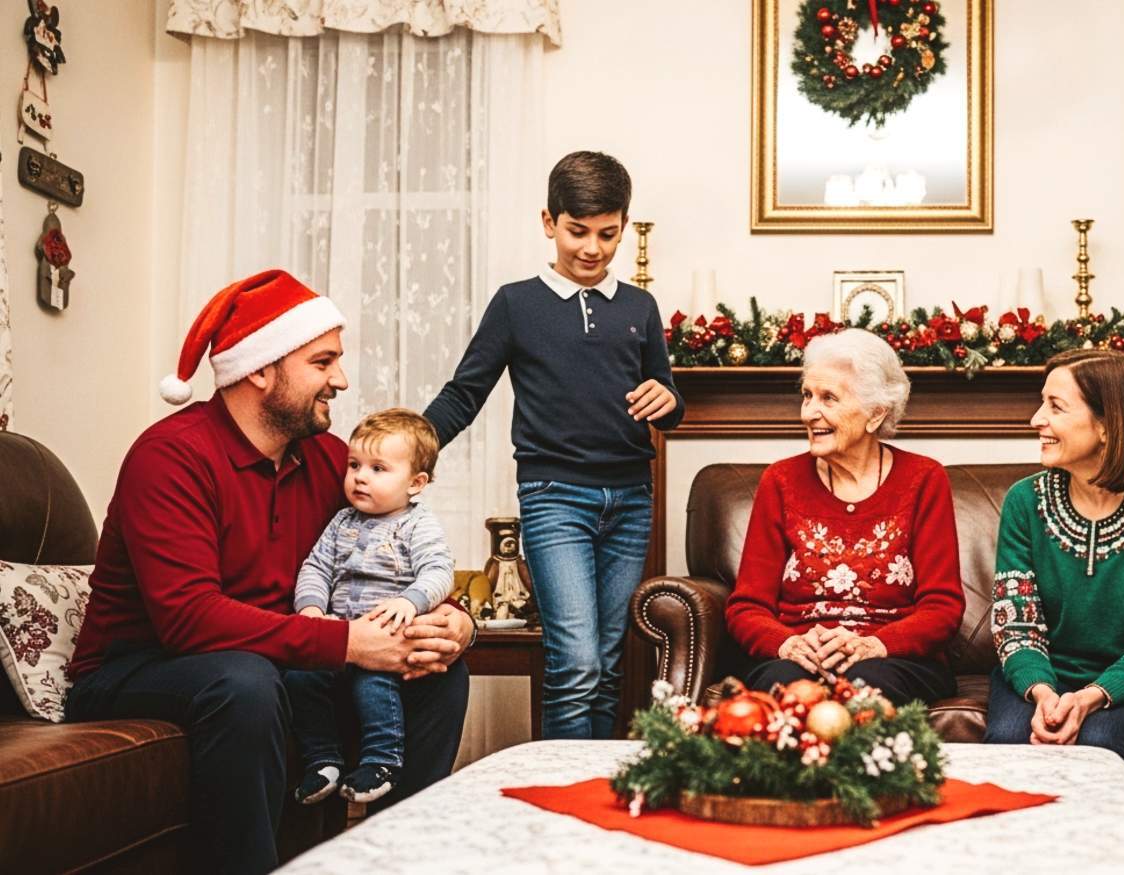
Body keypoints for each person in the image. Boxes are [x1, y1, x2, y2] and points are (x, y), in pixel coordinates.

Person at [65, 270, 473, 875]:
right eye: (323, 362)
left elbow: (391, 545)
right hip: (139, 665)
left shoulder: (330, 460)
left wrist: (451, 623)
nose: (341, 379)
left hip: (272, 656)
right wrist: (347, 642)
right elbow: (187, 619)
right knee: (246, 681)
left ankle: (396, 862)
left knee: (434, 670)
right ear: (260, 371)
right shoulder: (171, 456)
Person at [423, 151, 684, 740]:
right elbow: (465, 393)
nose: (592, 248)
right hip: (554, 498)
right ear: (549, 222)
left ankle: (593, 787)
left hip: (631, 501)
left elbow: (666, 396)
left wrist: (669, 400)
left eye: (607, 234)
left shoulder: (640, 307)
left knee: (609, 666)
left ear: (623, 225)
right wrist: (412, 445)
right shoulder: (516, 304)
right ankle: (557, 787)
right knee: (576, 663)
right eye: (577, 231)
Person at [984, 348, 1124, 764]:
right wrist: (1044, 693)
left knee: (1096, 744)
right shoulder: (1024, 501)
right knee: (1011, 740)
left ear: (1107, 424)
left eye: (1056, 406)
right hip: (1041, 677)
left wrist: (1091, 697)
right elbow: (1016, 626)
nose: (1036, 419)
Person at [725, 328, 964, 705]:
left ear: (875, 414)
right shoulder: (781, 481)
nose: (809, 413)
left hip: (892, 658)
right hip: (799, 654)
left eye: (828, 398)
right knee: (784, 687)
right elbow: (746, 607)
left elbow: (943, 608)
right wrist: (788, 643)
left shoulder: (923, 479)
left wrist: (873, 644)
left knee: (864, 686)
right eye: (807, 396)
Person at [285, 408, 454, 806]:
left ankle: (382, 761)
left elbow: (439, 571)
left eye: (378, 469)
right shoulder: (342, 522)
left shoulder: (417, 525)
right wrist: (311, 609)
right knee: (300, 679)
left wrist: (410, 600)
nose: (360, 477)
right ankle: (323, 760)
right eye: (354, 465)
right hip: (338, 636)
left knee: (372, 684)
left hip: (385, 638)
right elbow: (316, 567)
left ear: (415, 483)